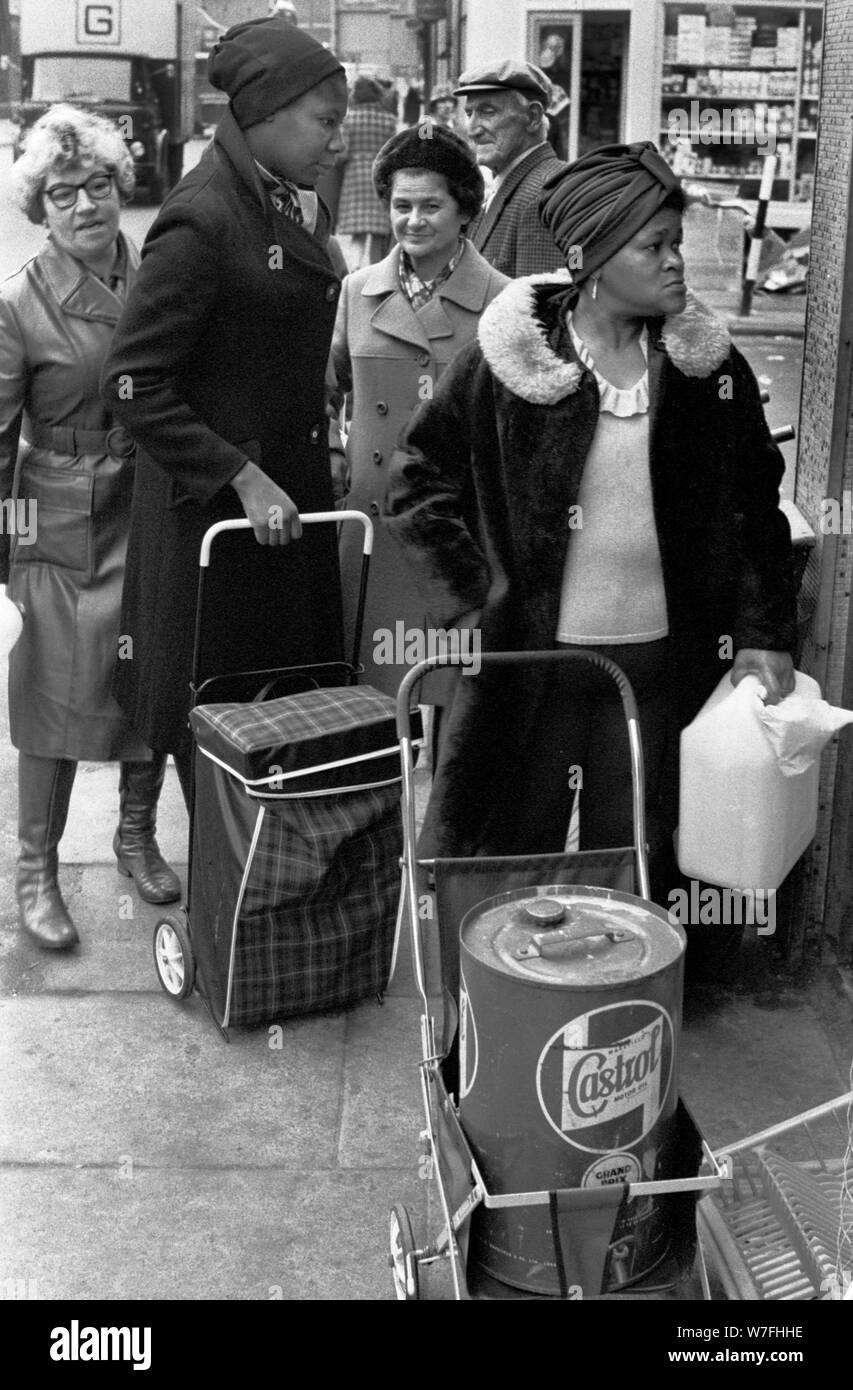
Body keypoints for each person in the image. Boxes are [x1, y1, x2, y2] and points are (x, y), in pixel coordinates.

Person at [385, 141, 796, 891]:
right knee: (513, 858)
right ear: (591, 257)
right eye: (655, 246)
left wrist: (763, 634)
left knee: (640, 860)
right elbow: (417, 483)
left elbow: (754, 509)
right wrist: (475, 603)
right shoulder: (506, 362)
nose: (677, 263)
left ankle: (632, 1002)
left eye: (677, 243)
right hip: (531, 665)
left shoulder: (707, 370)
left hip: (660, 668)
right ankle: (504, 1000)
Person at [101, 17, 349, 807]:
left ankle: (262, 907)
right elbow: (134, 382)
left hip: (283, 510)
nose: (339, 141)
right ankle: (228, 915)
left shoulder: (287, 200)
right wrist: (240, 475)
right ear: (267, 114)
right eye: (327, 120)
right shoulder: (202, 216)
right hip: (219, 527)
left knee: (279, 728)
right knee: (222, 732)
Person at [0, 106, 180, 951]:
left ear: (120, 189)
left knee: (152, 679)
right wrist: (14, 552)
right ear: (41, 206)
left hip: (150, 503)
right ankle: (36, 867)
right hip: (63, 520)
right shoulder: (17, 303)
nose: (84, 206)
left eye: (98, 186)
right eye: (63, 194)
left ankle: (135, 835)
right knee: (56, 697)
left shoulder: (160, 277)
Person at [329, 123, 508, 700]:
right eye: (401, 205)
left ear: (465, 210)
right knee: (377, 698)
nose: (413, 220)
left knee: (456, 692)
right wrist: (336, 457)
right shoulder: (357, 291)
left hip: (455, 532)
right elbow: (323, 384)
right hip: (371, 523)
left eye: (432, 205)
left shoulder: (505, 301)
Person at [453, 59, 567, 277]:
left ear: (532, 117)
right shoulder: (519, 185)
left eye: (488, 112)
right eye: (469, 114)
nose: (472, 130)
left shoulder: (544, 193)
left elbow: (540, 304)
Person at [335, 76, 398, 271]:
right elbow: (393, 151)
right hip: (380, 176)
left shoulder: (349, 119)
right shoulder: (389, 120)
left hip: (355, 177)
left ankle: (354, 269)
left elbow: (343, 152)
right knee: (378, 230)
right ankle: (377, 270)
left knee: (358, 230)